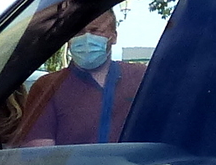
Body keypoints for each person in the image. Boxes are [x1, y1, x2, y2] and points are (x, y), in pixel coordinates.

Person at [16, 10, 145, 146]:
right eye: (78, 32)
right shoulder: (47, 86)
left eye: (95, 31)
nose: (86, 38)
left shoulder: (141, 77)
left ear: (113, 37)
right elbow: (41, 155)